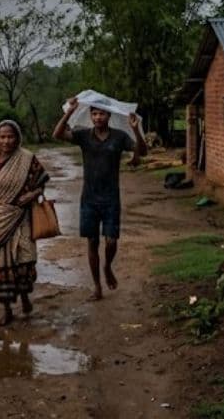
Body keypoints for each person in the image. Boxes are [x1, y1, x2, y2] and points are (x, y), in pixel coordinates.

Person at [53, 96, 146, 301]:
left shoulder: (120, 137)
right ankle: (97, 287)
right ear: (90, 116)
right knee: (92, 242)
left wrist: (136, 130)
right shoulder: (84, 136)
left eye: (101, 114)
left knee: (111, 241)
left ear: (109, 116)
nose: (97, 117)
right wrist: (69, 111)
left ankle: (107, 266)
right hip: (89, 199)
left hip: (111, 198)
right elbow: (57, 134)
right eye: (94, 114)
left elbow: (143, 151)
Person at [0, 120, 50, 326]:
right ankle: (6, 309)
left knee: (24, 261)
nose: (6, 141)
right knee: (0, 264)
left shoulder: (27, 159)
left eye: (10, 136)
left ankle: (24, 298)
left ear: (17, 138)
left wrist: (31, 195)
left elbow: (41, 186)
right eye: (2, 137)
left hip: (22, 217)